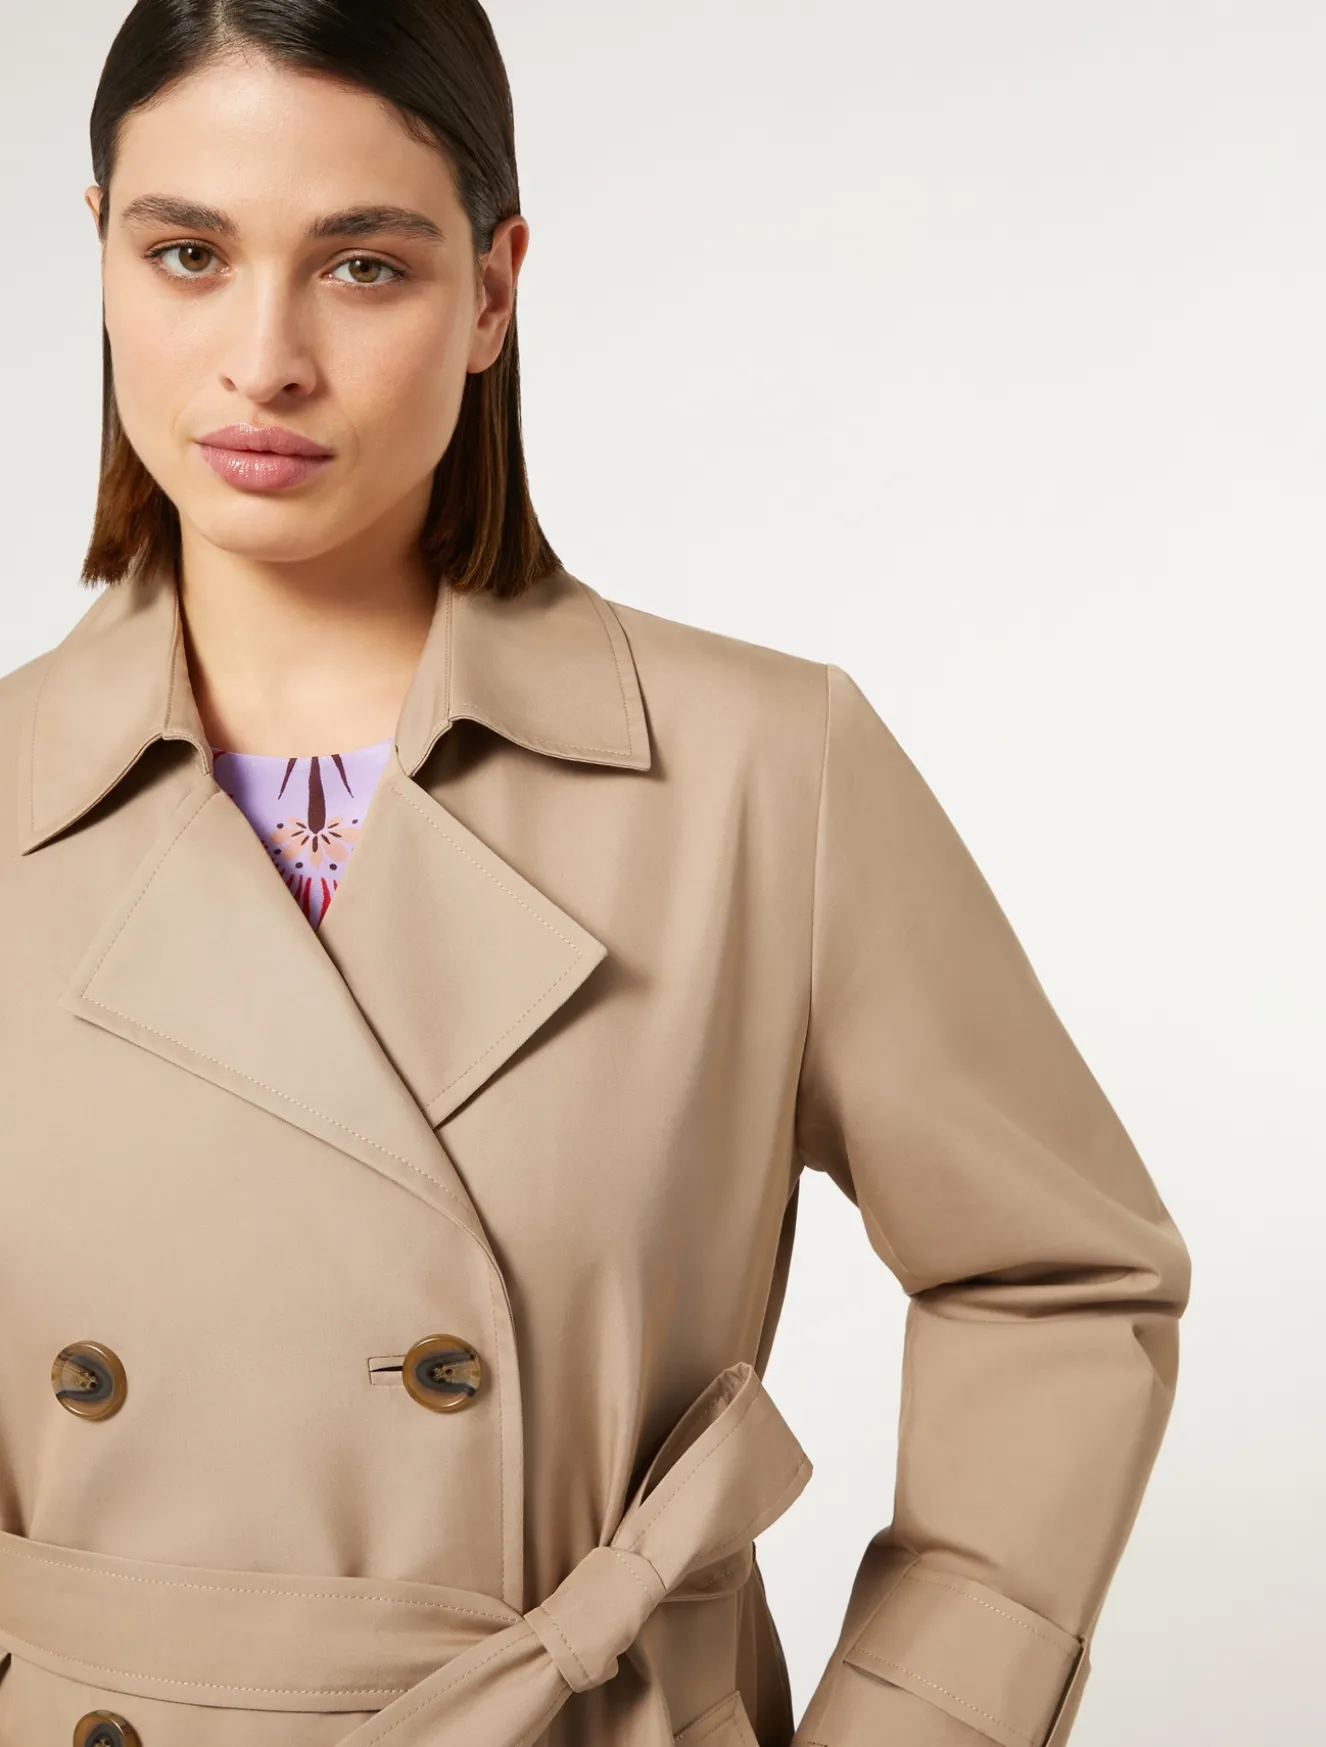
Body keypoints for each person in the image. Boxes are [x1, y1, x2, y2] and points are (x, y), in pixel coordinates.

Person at [0, 4, 1191, 1746]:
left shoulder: (764, 773)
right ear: (100, 252)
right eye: (188, 254)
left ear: (492, 292)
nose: (264, 359)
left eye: (363, 267)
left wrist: (921, 1718)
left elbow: (1054, 1279)